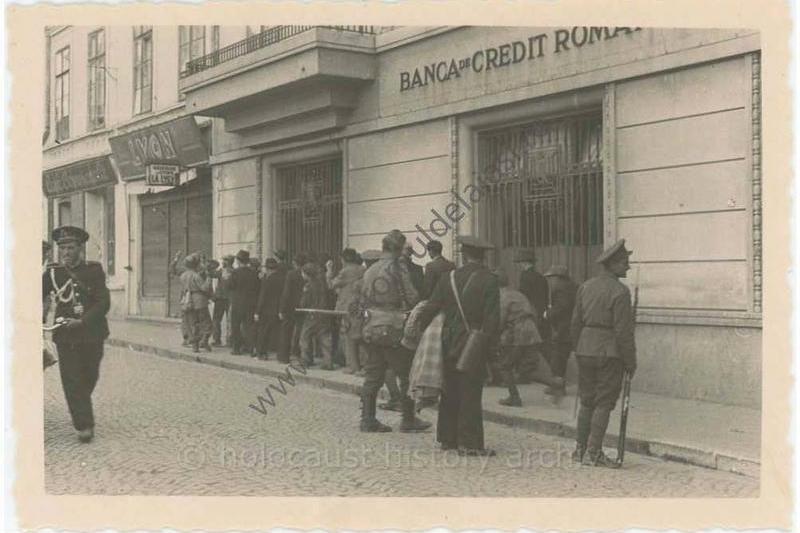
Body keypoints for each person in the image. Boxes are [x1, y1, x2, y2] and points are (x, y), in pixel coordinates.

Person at [416, 235, 500, 455]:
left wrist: (421, 331)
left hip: (448, 341)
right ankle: (470, 444)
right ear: (483, 256)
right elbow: (492, 320)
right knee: (470, 392)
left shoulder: (448, 277)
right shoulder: (489, 280)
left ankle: (447, 439)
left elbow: (431, 308)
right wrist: (492, 350)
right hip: (474, 342)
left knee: (450, 389)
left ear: (463, 254)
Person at [570, 239, 637, 468]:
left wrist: (577, 348)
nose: (628, 267)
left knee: (587, 400)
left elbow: (575, 323)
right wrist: (631, 361)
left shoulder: (585, 286)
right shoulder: (620, 292)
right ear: (614, 264)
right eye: (625, 263)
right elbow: (623, 332)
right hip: (609, 352)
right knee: (604, 402)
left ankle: (579, 449)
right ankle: (594, 452)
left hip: (585, 349)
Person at [42, 226, 110, 443]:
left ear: (80, 248)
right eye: (62, 248)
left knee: (90, 375)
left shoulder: (94, 270)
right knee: (72, 379)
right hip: (65, 335)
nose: (66, 252)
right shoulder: (53, 273)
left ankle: (80, 405)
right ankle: (84, 424)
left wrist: (82, 321)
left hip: (92, 333)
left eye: (70, 247)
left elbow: (103, 302)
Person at [359, 230, 431, 433]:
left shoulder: (371, 269)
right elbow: (411, 295)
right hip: (393, 328)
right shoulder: (397, 268)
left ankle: (367, 419)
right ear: (399, 249)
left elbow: (362, 296)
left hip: (371, 327)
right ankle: (408, 419)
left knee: (373, 374)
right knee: (407, 374)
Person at [327, 248, 367, 374]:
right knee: (360, 336)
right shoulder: (363, 269)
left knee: (348, 337)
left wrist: (328, 271)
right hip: (360, 306)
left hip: (347, 308)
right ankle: (363, 365)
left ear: (343, 259)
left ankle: (352, 366)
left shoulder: (345, 271)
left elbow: (331, 285)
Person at [513, 248, 550, 383]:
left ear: (523, 263)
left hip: (530, 314)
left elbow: (523, 297)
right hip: (541, 314)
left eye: (520, 263)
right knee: (541, 344)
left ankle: (526, 374)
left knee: (527, 345)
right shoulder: (541, 277)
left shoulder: (525, 276)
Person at [543, 265, 578, 396]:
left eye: (551, 278)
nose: (550, 282)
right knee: (565, 358)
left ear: (558, 278)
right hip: (573, 328)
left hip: (563, 330)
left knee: (558, 360)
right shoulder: (574, 287)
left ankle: (558, 388)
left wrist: (548, 314)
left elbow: (562, 308)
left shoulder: (560, 289)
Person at [297, 262, 335, 369]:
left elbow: (304, 303)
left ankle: (306, 360)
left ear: (306, 274)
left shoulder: (308, 286)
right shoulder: (323, 284)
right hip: (324, 314)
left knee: (305, 337)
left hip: (312, 315)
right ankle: (328, 362)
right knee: (325, 338)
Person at [180, 253, 214, 353]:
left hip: (188, 300)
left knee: (193, 323)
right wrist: (209, 278)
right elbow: (204, 288)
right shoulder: (196, 276)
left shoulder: (183, 275)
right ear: (195, 265)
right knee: (207, 323)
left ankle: (195, 346)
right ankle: (204, 341)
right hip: (200, 300)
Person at [229, 249, 260, 356]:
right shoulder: (253, 273)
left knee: (236, 326)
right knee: (249, 326)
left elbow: (230, 286)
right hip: (251, 303)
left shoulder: (235, 272)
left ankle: (236, 348)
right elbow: (257, 288)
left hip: (237, 303)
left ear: (238, 260)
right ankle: (251, 348)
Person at [278, 253, 307, 364]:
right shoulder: (308, 273)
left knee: (286, 331)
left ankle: (284, 356)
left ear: (294, 263)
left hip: (290, 307)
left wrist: (282, 308)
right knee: (300, 330)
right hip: (303, 306)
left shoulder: (291, 274)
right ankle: (298, 353)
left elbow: (286, 293)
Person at [254, 258, 286, 360]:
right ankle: (279, 353)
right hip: (278, 309)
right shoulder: (283, 278)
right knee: (278, 332)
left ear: (268, 268)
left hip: (266, 310)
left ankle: (262, 353)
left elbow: (262, 296)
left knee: (263, 332)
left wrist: (257, 312)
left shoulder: (267, 280)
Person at [210, 255, 234, 347]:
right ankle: (229, 341)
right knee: (230, 320)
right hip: (229, 299)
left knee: (216, 320)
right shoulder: (234, 272)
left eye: (224, 260)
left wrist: (211, 265)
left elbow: (211, 274)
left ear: (228, 262)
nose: (222, 262)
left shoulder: (221, 271)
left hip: (220, 298)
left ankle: (217, 340)